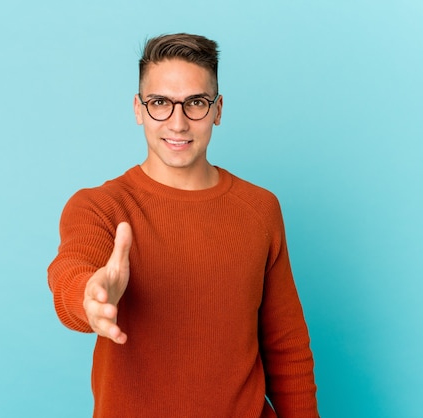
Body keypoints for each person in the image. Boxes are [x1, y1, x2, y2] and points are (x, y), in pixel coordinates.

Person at [47, 33, 319, 417]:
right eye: (160, 103)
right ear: (138, 109)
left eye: (195, 103)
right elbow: (71, 271)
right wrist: (89, 297)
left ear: (218, 110)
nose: (177, 123)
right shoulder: (99, 207)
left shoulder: (260, 208)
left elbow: (286, 345)